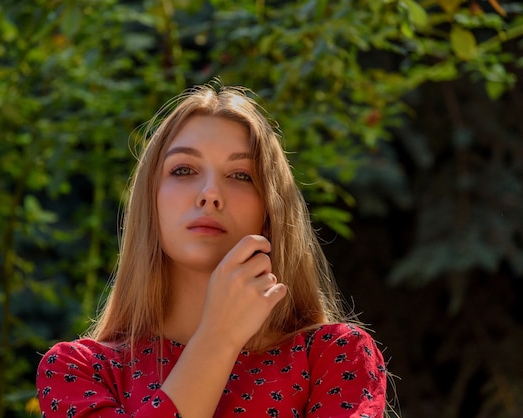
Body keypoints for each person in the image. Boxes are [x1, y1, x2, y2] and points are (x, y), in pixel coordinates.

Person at [36, 84, 388, 417]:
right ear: (150, 204)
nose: (209, 193)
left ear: (269, 213)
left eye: (240, 175)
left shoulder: (334, 357)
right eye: (184, 170)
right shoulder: (79, 371)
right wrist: (218, 337)